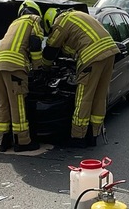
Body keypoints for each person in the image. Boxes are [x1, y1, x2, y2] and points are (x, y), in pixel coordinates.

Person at [42, 8, 119, 148]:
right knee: (99, 96)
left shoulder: (61, 21)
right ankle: (93, 135)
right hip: (110, 51)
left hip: (92, 55)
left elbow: (51, 48)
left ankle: (78, 136)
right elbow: (75, 43)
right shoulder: (78, 15)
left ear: (51, 21)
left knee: (84, 97)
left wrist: (44, 68)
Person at [0, 0, 45, 152]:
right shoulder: (34, 20)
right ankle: (22, 142)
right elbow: (35, 43)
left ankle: (3, 141)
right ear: (36, 12)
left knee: (3, 104)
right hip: (15, 66)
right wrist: (38, 68)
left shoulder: (14, 23)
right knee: (18, 104)